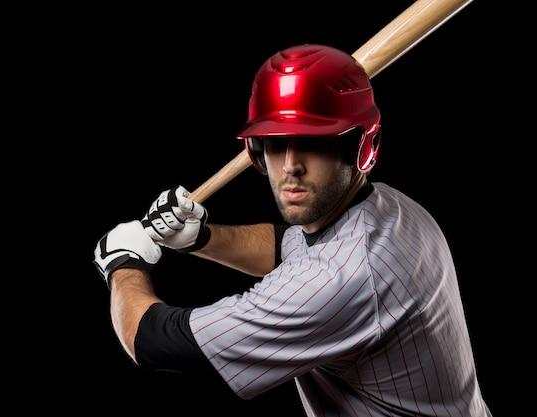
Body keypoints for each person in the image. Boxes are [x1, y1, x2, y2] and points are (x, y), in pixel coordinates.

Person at [94, 44, 492, 417]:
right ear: (257, 149)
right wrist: (201, 238)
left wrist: (123, 264)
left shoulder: (339, 279)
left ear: (359, 147)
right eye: (277, 141)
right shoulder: (388, 206)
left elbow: (154, 343)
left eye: (314, 141)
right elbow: (288, 247)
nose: (290, 166)